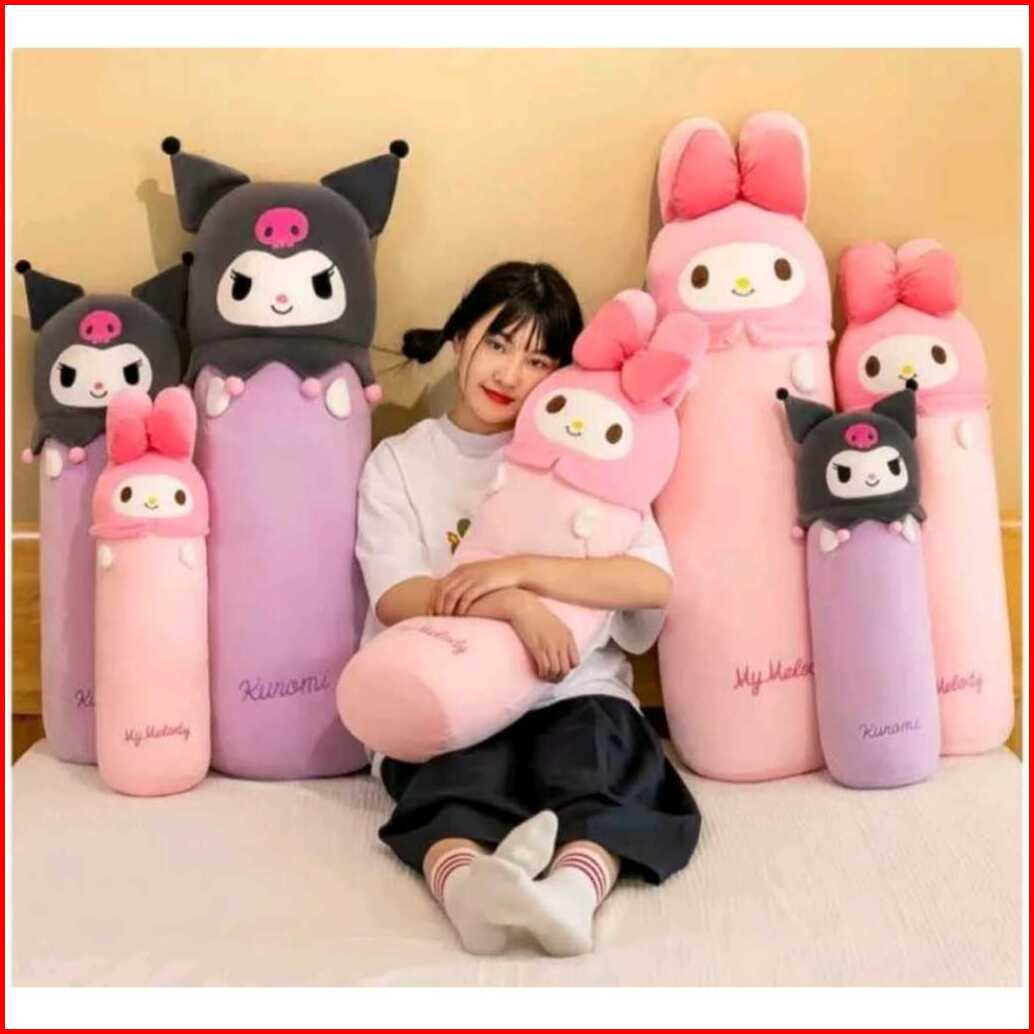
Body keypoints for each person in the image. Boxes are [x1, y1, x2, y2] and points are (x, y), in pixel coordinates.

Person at [355, 261, 700, 956]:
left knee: (603, 765)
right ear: (460, 337)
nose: (510, 374)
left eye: (539, 360)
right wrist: (512, 604)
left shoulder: (587, 449)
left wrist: (523, 571)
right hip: (450, 678)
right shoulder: (400, 462)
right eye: (498, 344)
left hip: (570, 686)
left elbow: (648, 581)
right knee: (453, 776)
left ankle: (572, 892)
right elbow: (396, 596)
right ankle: (467, 890)